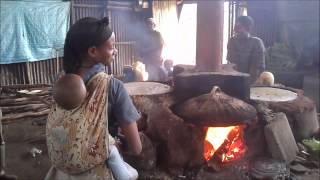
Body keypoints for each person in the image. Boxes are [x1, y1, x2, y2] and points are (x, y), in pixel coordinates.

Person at [45, 17, 142, 180]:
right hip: (96, 173)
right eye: (112, 47)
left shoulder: (60, 80)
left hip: (61, 170)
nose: (116, 51)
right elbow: (136, 148)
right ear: (92, 51)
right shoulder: (113, 87)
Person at [52, 74, 138, 180]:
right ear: (85, 99)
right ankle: (126, 176)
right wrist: (114, 143)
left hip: (65, 159)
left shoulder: (56, 118)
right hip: (86, 157)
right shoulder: (89, 120)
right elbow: (103, 139)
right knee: (112, 151)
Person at [227, 16, 266, 83]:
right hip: (235, 79)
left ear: (247, 28)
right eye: (235, 27)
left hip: (252, 81)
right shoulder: (232, 41)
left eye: (239, 27)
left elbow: (257, 67)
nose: (235, 30)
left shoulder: (256, 43)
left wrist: (249, 83)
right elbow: (231, 63)